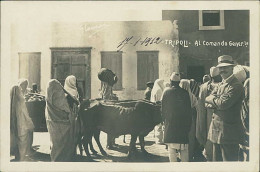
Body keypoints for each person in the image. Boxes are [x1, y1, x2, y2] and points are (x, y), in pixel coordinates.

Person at [205, 55, 245, 161]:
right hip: (215, 132)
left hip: (229, 134)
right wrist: (214, 100)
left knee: (229, 165)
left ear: (232, 68)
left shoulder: (236, 86)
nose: (223, 70)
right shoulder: (220, 84)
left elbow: (223, 103)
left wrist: (212, 100)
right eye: (221, 67)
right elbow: (206, 101)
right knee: (216, 164)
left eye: (226, 67)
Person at [161, 72, 192, 162]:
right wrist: (188, 124)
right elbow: (188, 110)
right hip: (183, 125)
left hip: (170, 124)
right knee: (184, 148)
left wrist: (164, 122)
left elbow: (163, 110)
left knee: (171, 149)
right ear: (179, 82)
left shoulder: (167, 92)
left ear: (170, 81)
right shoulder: (185, 93)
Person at [45, 79, 76, 161]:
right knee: (61, 146)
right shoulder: (58, 92)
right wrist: (71, 112)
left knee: (55, 144)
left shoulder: (49, 98)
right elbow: (64, 108)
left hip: (52, 122)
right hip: (61, 124)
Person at [196, 67, 222, 161]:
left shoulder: (203, 87)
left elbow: (200, 109)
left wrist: (200, 130)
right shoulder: (223, 86)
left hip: (207, 122)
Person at [10, 85, 34, 161]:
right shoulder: (21, 101)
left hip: (15, 125)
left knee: (16, 141)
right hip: (22, 124)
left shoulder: (11, 101)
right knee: (22, 143)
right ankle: (22, 158)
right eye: (20, 89)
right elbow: (25, 114)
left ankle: (18, 157)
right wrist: (30, 123)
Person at [179, 79, 200, 161]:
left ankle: (183, 157)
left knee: (182, 138)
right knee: (191, 138)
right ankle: (190, 156)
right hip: (191, 119)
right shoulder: (192, 96)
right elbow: (197, 108)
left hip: (181, 120)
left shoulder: (178, 96)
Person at [64, 75, 81, 158]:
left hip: (70, 115)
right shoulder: (72, 92)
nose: (75, 82)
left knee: (71, 134)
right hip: (72, 115)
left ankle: (70, 151)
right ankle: (71, 152)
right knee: (72, 133)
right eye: (74, 81)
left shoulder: (65, 90)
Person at [18, 79, 35, 155]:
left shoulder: (27, 90)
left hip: (25, 113)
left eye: (26, 85)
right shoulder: (18, 91)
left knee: (31, 129)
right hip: (21, 115)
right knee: (28, 129)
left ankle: (29, 147)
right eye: (24, 85)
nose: (25, 87)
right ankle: (25, 149)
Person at [150, 79, 165, 144]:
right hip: (158, 108)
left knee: (156, 124)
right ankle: (159, 140)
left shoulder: (154, 89)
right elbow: (160, 100)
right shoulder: (159, 90)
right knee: (159, 124)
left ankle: (157, 139)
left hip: (153, 108)